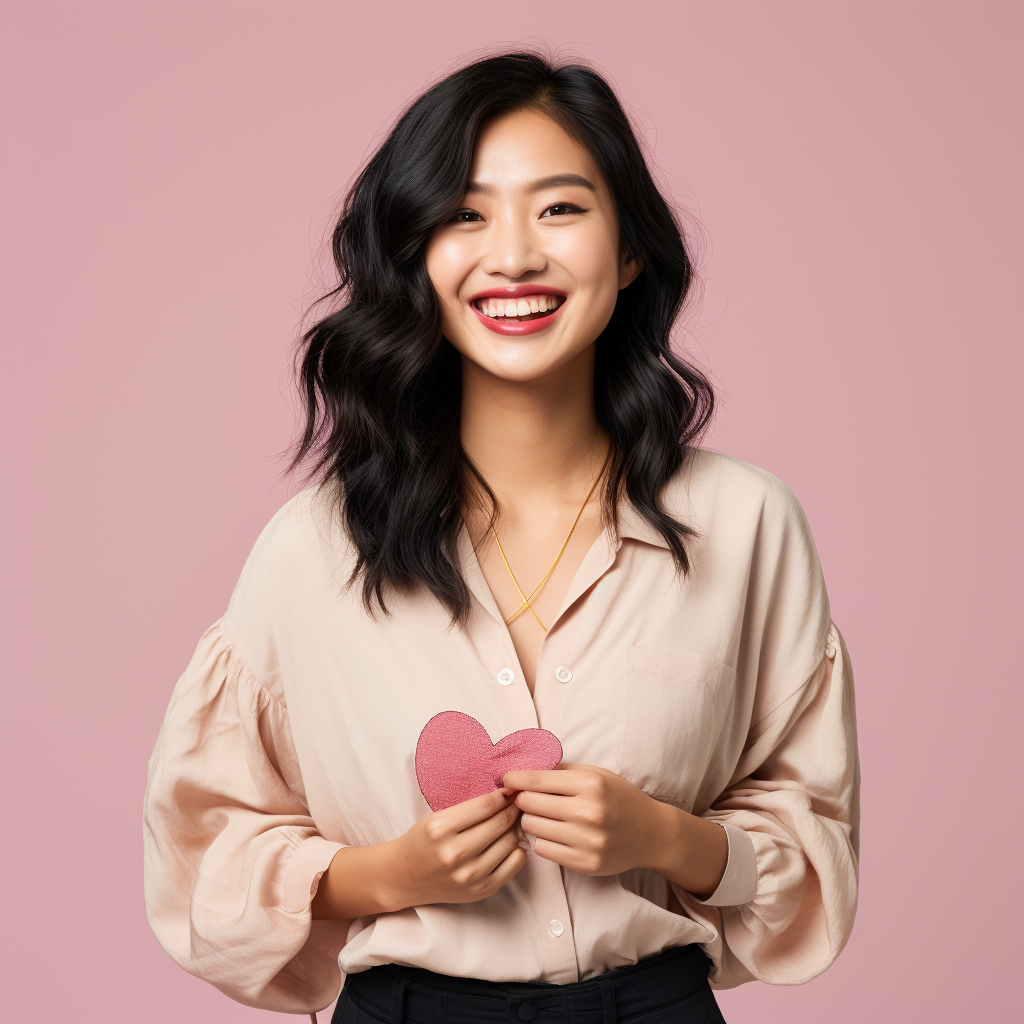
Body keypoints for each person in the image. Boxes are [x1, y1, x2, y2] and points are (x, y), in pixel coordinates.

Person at [143, 49, 860, 1024]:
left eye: (560, 208)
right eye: (464, 214)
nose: (513, 255)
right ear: (414, 256)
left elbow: (812, 834)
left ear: (631, 248)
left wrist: (666, 837)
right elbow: (206, 857)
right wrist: (385, 871)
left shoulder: (746, 525)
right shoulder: (311, 549)